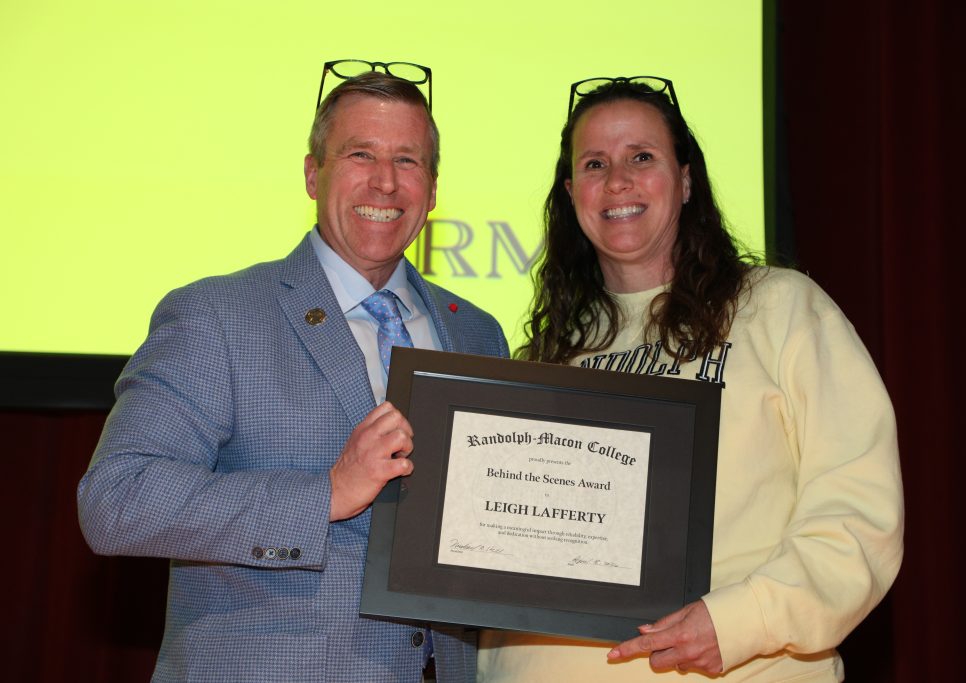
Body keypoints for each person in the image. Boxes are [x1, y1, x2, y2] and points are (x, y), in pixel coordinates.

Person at [77, 65, 508, 682]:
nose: (385, 182)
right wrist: (324, 496)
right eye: (361, 154)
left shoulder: (477, 333)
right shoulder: (216, 316)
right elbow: (116, 500)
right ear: (313, 173)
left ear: (433, 189)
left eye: (408, 161)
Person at [477, 77, 903, 681]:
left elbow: (859, 511)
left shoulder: (780, 309)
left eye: (642, 157)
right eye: (595, 163)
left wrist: (740, 621)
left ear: (684, 180)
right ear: (573, 194)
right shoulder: (540, 358)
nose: (617, 180)